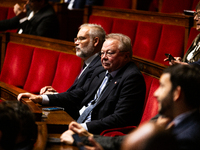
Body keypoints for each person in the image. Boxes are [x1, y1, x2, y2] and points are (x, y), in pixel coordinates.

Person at [18, 33, 146, 134]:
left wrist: (82, 127)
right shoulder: (103, 70)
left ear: (126, 56)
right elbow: (77, 94)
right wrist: (41, 98)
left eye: (110, 53)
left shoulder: (131, 78)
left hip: (96, 132)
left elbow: (120, 118)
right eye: (102, 53)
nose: (104, 57)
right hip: (79, 121)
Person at [60, 64, 200, 150]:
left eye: (162, 87)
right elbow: (124, 141)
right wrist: (87, 137)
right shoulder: (165, 117)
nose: (156, 93)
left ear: (177, 93)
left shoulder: (188, 138)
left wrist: (81, 140)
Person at [40, 23, 105, 96]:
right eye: (76, 39)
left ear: (95, 41)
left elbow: (80, 99)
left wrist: (54, 97)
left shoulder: (100, 67)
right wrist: (55, 94)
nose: (76, 43)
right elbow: (76, 95)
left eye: (82, 39)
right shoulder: (88, 63)